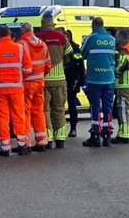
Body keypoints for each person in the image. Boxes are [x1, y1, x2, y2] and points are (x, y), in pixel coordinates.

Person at [0, 24, 31, 157]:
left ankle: (5, 147)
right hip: (16, 89)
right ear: (10, 35)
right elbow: (28, 70)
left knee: (2, 118)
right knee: (19, 116)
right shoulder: (20, 49)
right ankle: (22, 145)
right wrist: (18, 78)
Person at [80, 17, 116, 147]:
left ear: (93, 25)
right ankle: (107, 134)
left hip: (94, 78)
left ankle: (96, 135)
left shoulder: (91, 38)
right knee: (107, 107)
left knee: (95, 106)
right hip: (109, 77)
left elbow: (82, 54)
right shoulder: (112, 40)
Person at [40, 14, 71, 148]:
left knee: (45, 110)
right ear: (52, 23)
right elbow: (69, 56)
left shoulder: (38, 37)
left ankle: (48, 138)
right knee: (59, 109)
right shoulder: (62, 37)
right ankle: (60, 139)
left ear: (42, 23)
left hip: (44, 79)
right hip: (60, 79)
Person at [18, 22, 50, 152]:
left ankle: (26, 143)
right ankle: (41, 141)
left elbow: (19, 64)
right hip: (39, 82)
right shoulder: (42, 44)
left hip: (26, 82)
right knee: (38, 111)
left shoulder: (21, 44)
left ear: (22, 31)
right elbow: (48, 64)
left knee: (25, 112)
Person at [65, 30, 85, 138]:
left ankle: (73, 128)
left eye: (67, 36)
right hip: (62, 79)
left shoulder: (75, 48)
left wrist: (80, 81)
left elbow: (80, 66)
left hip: (72, 80)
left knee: (71, 104)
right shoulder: (61, 48)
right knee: (58, 106)